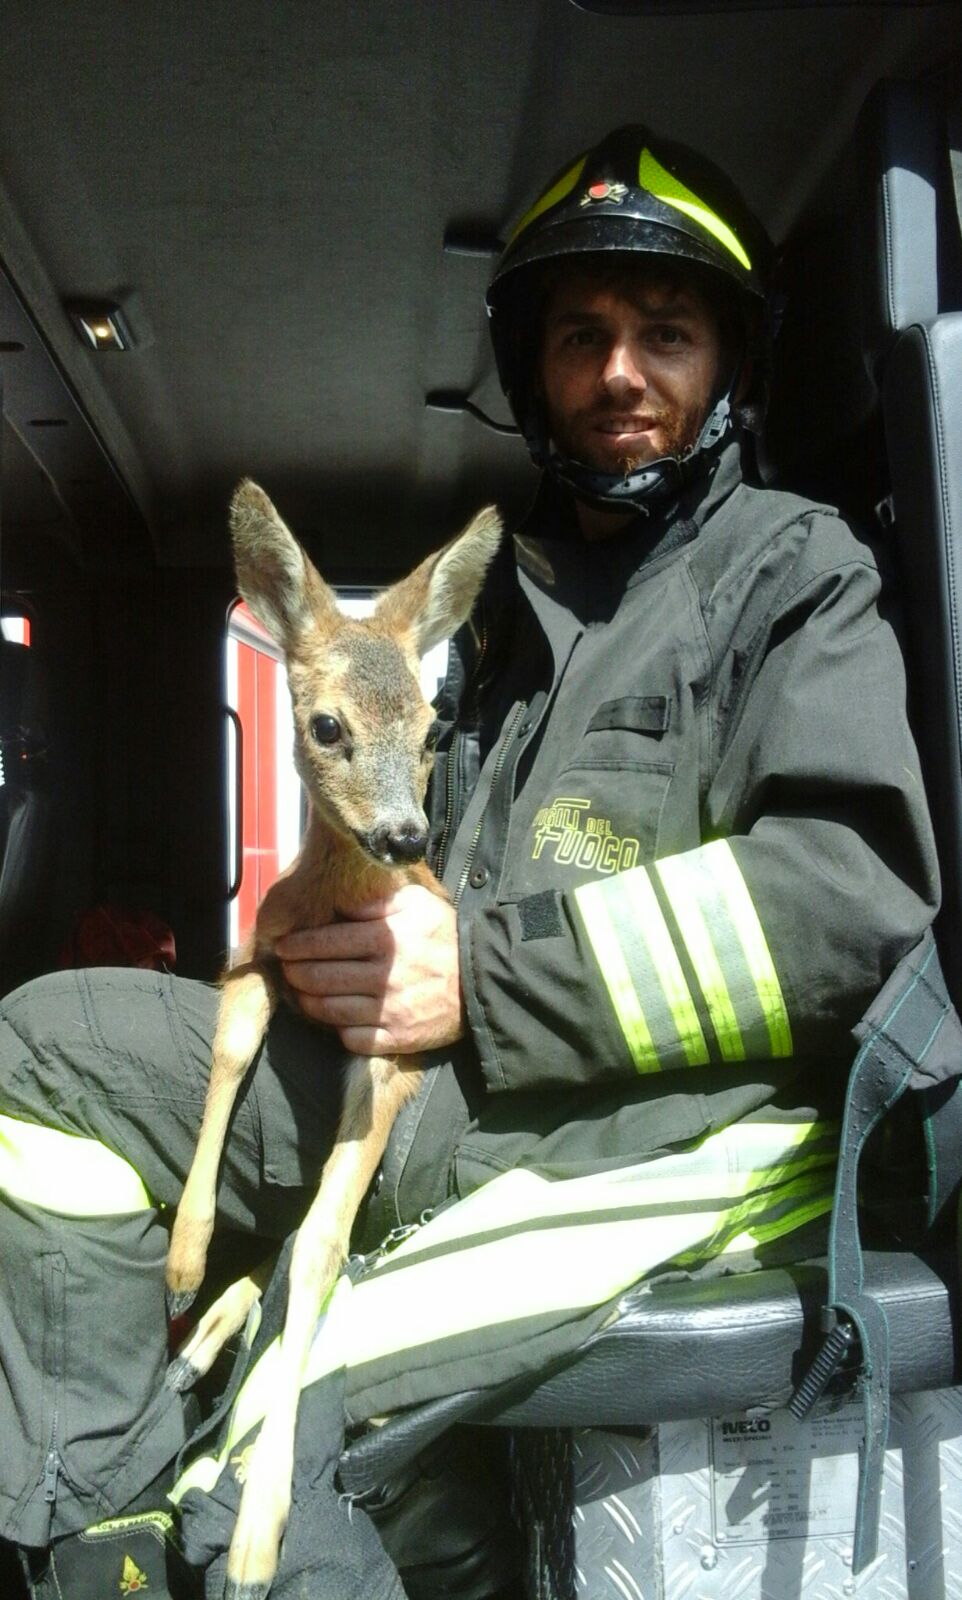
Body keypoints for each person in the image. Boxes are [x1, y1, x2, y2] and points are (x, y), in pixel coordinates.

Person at [0, 124, 939, 1600]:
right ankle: (80, 1518)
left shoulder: (791, 574)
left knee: (271, 1478)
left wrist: (481, 979)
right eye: (580, 335)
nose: (619, 371)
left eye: (666, 332)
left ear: (726, 366)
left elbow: (852, 905)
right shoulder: (502, 623)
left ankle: (175, 1510)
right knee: (48, 1047)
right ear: (533, 370)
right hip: (435, 1097)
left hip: (643, 1136)